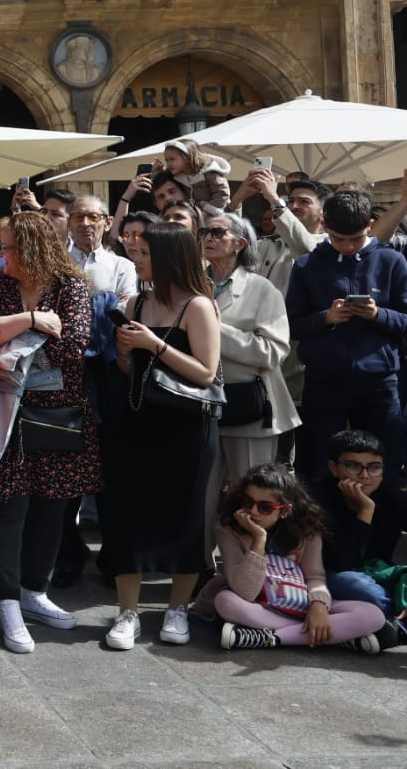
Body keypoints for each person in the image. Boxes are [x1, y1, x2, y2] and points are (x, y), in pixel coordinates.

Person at [0, 212, 99, 654]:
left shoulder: (71, 284)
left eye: (7, 248)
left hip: (59, 416)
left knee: (52, 509)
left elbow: (74, 343)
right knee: (5, 510)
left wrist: (11, 335)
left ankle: (34, 592)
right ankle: (6, 602)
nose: (0, 256)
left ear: (31, 250)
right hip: (4, 416)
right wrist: (35, 319)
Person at [106, 223, 222, 651]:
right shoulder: (136, 300)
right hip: (138, 423)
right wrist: (123, 351)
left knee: (186, 517)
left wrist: (155, 344)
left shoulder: (198, 306)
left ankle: (177, 608)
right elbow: (130, 373)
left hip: (188, 427)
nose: (137, 259)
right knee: (128, 516)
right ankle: (127, 612)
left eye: (145, 253)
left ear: (169, 257)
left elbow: (206, 372)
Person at [285, 190, 407, 477]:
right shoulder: (308, 265)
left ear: (370, 225)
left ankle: (382, 520)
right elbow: (290, 325)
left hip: (379, 381)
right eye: (338, 239)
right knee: (319, 461)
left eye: (355, 239)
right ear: (325, 225)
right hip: (324, 380)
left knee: (384, 461)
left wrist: (379, 315)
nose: (346, 247)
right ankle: (320, 520)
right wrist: (326, 318)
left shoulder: (391, 261)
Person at [199, 462, 386, 652]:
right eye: (247, 502)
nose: (253, 511)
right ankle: (331, 637)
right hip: (256, 604)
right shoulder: (228, 528)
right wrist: (258, 539)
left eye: (265, 507)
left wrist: (319, 605)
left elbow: (315, 577)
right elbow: (245, 592)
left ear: (285, 511)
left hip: (297, 602)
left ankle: (268, 637)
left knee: (373, 615)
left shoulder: (307, 530)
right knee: (225, 601)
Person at [203, 213, 299, 479]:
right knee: (201, 502)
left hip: (249, 407)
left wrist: (213, 329)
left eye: (218, 232)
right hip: (199, 404)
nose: (208, 237)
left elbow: (273, 352)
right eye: (204, 232)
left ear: (240, 244)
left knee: (249, 493)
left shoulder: (262, 289)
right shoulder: (193, 285)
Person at [311, 428, 407, 646]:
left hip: (381, 573)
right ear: (334, 468)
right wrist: (365, 511)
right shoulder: (317, 498)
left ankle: (393, 628)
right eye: (353, 466)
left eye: (374, 467)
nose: (365, 475)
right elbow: (343, 563)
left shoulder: (391, 496)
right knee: (360, 588)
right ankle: (399, 627)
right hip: (332, 576)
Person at [161, 138, 232, 212]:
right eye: (167, 160)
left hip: (220, 213)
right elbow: (159, 185)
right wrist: (156, 172)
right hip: (196, 214)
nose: (168, 164)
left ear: (188, 158)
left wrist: (209, 212)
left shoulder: (209, 172)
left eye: (172, 159)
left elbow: (222, 193)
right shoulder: (177, 175)